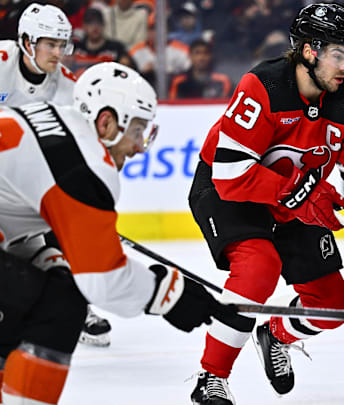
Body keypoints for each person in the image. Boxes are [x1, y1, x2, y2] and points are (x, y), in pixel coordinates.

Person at [187, 3, 344, 404]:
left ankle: (276, 333)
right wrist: (303, 192)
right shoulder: (264, 85)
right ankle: (211, 377)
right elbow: (231, 173)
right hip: (231, 191)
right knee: (259, 270)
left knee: (331, 303)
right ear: (310, 51)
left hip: (295, 196)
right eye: (338, 54)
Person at [0, 61, 237, 405]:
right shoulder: (86, 164)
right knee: (60, 304)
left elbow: (12, 217)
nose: (140, 146)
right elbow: (103, 281)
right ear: (106, 122)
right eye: (138, 130)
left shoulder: (52, 119)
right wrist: (172, 295)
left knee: (40, 294)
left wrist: (48, 259)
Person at [0, 2, 118, 349]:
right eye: (49, 44)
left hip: (23, 178)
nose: (58, 53)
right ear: (26, 42)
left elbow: (78, 147)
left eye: (62, 44)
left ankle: (77, 302)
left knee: (58, 226)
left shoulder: (67, 88)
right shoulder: (1, 61)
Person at [0, 3, 75, 106]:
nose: (58, 54)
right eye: (51, 45)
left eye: (62, 46)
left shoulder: (68, 84)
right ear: (28, 44)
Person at [70, 7, 134, 77]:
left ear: (103, 25)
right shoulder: (75, 47)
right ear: (84, 26)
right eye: (90, 23)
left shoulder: (116, 47)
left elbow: (128, 69)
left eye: (98, 23)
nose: (95, 27)